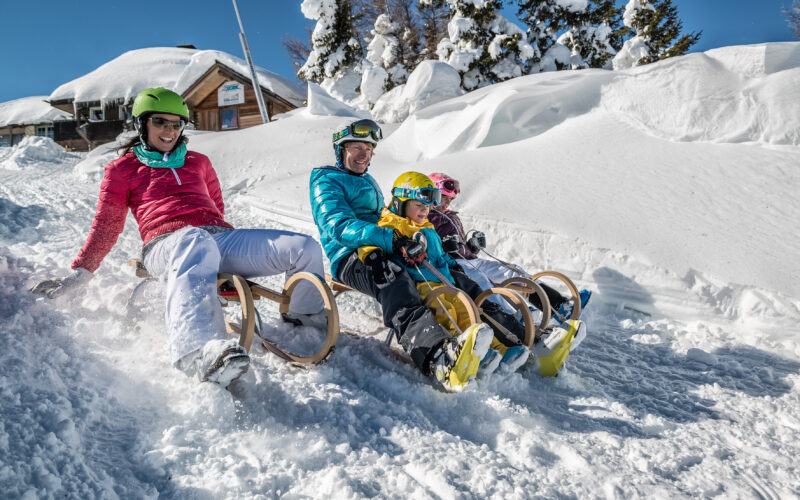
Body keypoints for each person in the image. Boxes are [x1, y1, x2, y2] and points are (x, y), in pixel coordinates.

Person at [30, 87, 326, 388]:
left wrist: (219, 266)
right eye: (160, 122)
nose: (169, 130)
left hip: (215, 238)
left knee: (303, 247)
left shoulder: (198, 162)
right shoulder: (122, 169)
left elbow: (216, 207)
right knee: (195, 239)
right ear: (141, 124)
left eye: (176, 123)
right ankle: (196, 350)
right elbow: (107, 225)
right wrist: (81, 272)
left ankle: (305, 319)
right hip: (165, 245)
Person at [309, 120, 496, 392]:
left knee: (445, 271)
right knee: (393, 278)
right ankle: (436, 355)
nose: (364, 155)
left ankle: (496, 336)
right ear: (340, 149)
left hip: (385, 246)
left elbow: (384, 217)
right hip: (350, 257)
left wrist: (406, 232)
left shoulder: (366, 179)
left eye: (369, 149)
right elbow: (337, 225)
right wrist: (392, 239)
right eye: (357, 148)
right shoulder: (325, 181)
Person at [358, 171, 532, 376]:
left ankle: (497, 350)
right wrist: (372, 256)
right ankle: (457, 350)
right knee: (447, 314)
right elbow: (368, 245)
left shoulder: (428, 227)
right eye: (419, 206)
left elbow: (439, 254)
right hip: (421, 283)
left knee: (466, 313)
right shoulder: (391, 225)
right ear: (400, 203)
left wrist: (452, 264)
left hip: (444, 281)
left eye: (427, 207)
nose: (425, 211)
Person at [426, 172, 591, 321]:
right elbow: (430, 247)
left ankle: (558, 305)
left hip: (470, 260)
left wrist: (472, 245)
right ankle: (511, 319)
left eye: (450, 199)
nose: (447, 203)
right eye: (444, 198)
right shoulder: (427, 218)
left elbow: (460, 246)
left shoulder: (451, 216)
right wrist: (445, 248)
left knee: (512, 270)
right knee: (483, 282)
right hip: (453, 266)